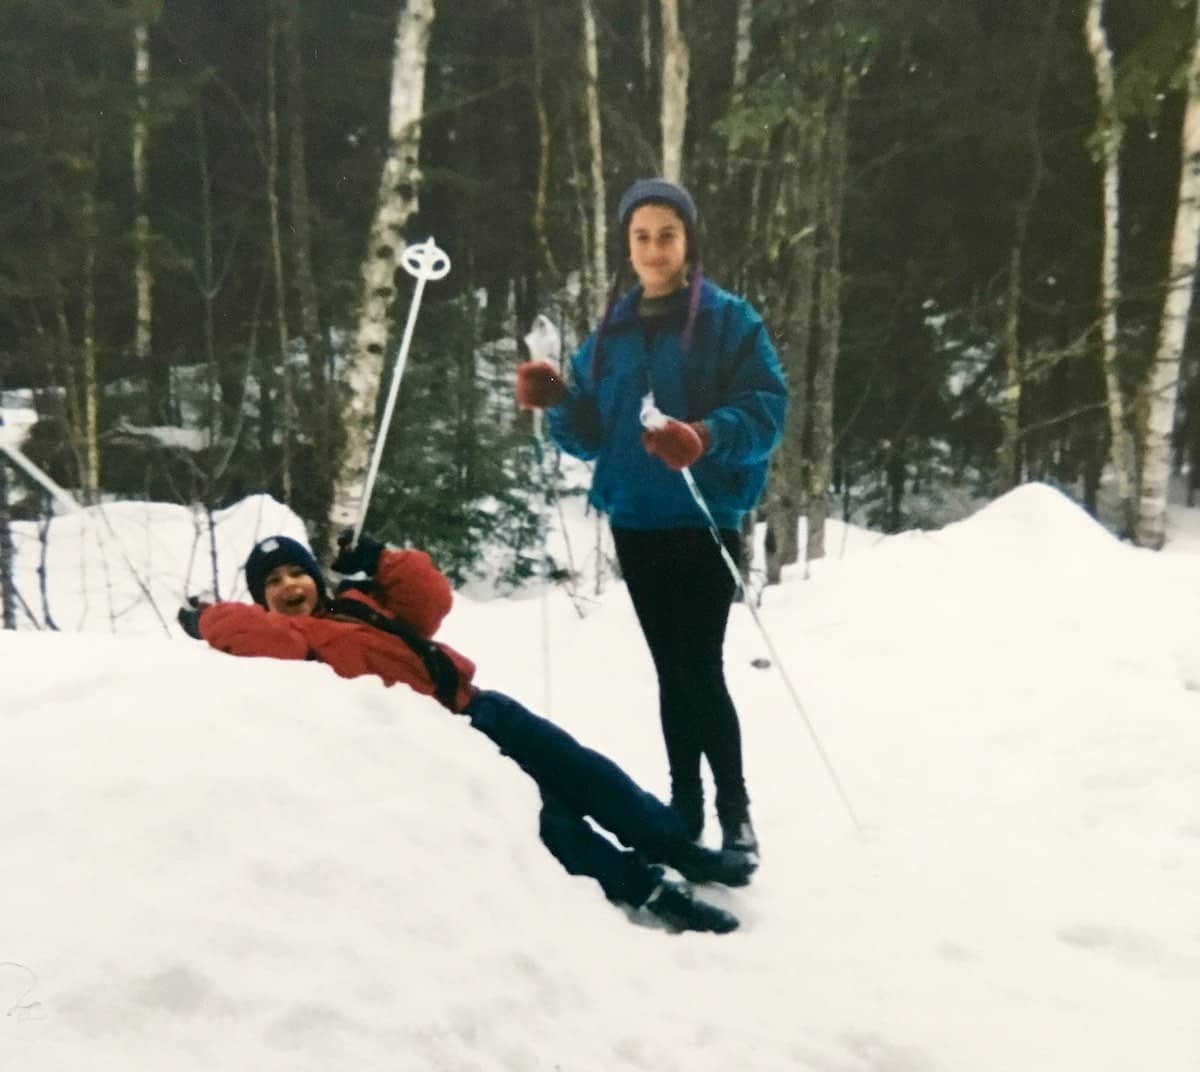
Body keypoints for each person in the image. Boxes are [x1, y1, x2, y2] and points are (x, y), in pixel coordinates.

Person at [178, 531, 755, 935]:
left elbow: (431, 599)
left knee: (584, 770)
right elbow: (250, 637)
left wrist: (377, 557)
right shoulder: (292, 644)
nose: (289, 585)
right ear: (262, 600)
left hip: (479, 705)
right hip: (443, 740)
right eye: (272, 582)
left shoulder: (361, 605)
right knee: (547, 816)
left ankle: (681, 849)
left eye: (297, 571)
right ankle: (649, 890)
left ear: (317, 577)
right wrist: (208, 619)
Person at [515, 178, 787, 858]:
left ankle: (734, 810)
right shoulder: (610, 333)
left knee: (698, 664)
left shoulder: (730, 321)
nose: (655, 247)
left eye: (667, 234)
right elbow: (588, 432)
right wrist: (553, 399)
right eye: (642, 236)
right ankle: (685, 808)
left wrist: (706, 434)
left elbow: (766, 408)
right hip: (636, 522)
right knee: (673, 668)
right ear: (628, 248)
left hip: (705, 517)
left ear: (687, 241)